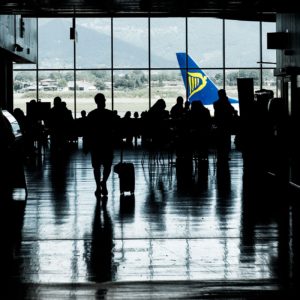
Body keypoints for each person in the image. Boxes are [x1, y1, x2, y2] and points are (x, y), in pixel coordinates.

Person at [85, 93, 115, 197]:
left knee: (96, 167)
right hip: (107, 143)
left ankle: (98, 186)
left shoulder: (91, 115)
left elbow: (88, 132)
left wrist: (86, 145)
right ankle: (104, 182)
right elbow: (114, 130)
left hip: (96, 143)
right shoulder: (110, 114)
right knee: (107, 166)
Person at [213, 89, 236, 161]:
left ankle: (220, 155)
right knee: (226, 141)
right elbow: (232, 110)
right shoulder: (226, 103)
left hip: (220, 124)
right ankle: (225, 155)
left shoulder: (216, 104)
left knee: (220, 141)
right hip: (226, 124)